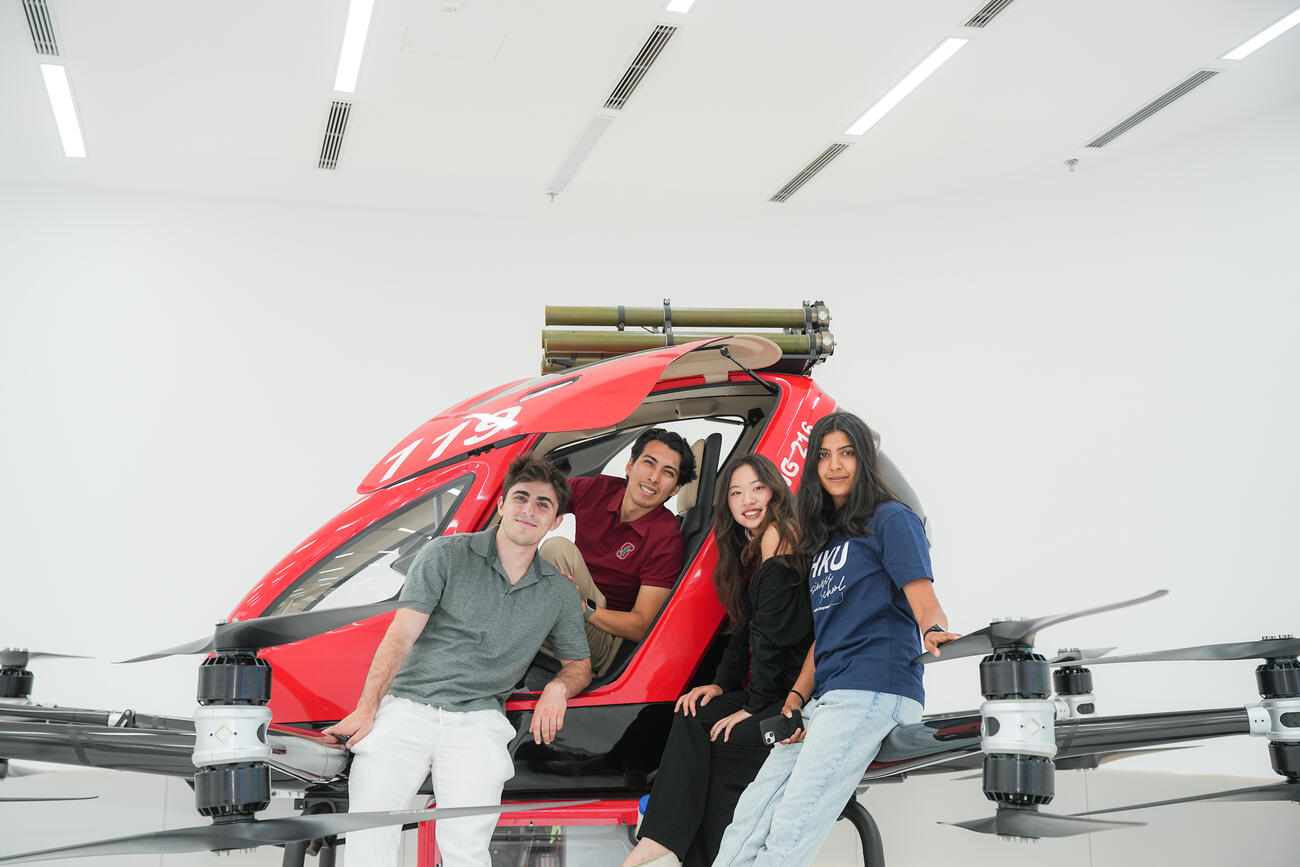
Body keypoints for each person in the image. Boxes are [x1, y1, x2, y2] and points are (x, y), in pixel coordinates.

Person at [712, 412, 961, 867]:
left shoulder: (892, 519)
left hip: (873, 688)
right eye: (824, 455)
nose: (835, 464)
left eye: (847, 452)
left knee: (792, 824)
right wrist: (795, 695)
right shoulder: (826, 541)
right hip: (826, 698)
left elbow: (923, 596)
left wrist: (933, 629)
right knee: (750, 815)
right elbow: (825, 633)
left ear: (865, 460)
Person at [323, 456, 592, 867]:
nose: (529, 510)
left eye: (543, 505)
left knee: (466, 847)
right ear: (502, 504)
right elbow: (401, 634)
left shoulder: (558, 591)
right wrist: (367, 707)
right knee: (369, 835)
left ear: (555, 522)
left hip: (478, 721)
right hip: (409, 707)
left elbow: (579, 665)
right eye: (521, 498)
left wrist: (557, 687)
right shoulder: (447, 554)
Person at [621, 454, 814, 867]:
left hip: (794, 691)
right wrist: (722, 685)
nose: (748, 499)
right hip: (769, 684)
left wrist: (752, 707)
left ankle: (663, 842)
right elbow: (743, 628)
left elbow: (772, 637)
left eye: (757, 488)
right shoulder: (750, 546)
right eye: (735, 492)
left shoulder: (778, 535)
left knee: (719, 736)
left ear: (775, 490)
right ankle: (666, 843)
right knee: (694, 711)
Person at [540, 428, 697, 676]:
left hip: (602, 636)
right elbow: (537, 498)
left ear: (675, 489)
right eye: (648, 463)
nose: (654, 478)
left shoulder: (667, 539)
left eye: (668, 473)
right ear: (630, 465)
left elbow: (642, 625)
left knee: (557, 549)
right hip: (565, 609)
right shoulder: (598, 490)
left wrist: (583, 607)